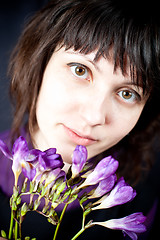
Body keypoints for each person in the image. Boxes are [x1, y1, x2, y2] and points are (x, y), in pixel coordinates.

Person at [0, 0, 160, 239]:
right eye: (80, 70)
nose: (94, 116)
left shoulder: (144, 196)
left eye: (127, 93)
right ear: (39, 62)